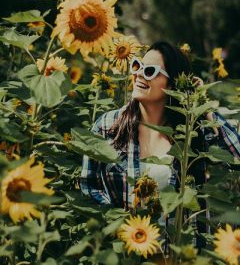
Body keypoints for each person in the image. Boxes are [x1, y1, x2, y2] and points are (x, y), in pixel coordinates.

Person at [80, 41, 240, 223]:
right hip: (127, 245)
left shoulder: (192, 130)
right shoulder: (108, 126)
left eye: (150, 71)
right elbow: (89, 187)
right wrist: (119, 226)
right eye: (138, 66)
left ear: (173, 85)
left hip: (179, 247)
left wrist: (203, 105)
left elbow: (237, 157)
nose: (139, 74)